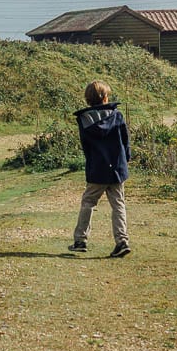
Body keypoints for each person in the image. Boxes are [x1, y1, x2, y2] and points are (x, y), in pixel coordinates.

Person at [68, 80, 132, 258]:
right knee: (118, 204)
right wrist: (125, 160)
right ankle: (122, 241)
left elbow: (86, 146)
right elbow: (125, 141)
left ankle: (80, 240)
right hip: (117, 168)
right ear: (105, 97)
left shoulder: (83, 120)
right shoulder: (116, 115)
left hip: (97, 168)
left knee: (88, 202)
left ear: (88, 99)